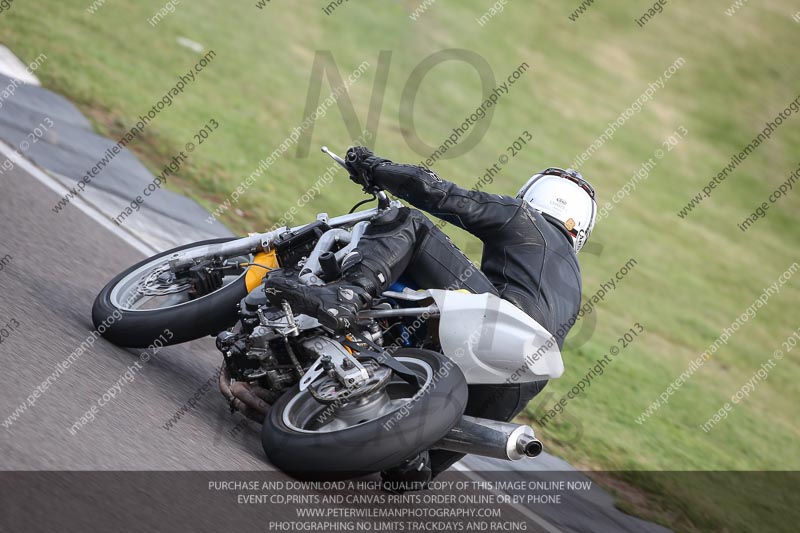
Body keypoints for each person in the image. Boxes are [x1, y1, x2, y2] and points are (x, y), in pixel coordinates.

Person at [265, 146, 597, 487]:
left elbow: (437, 193)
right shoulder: (573, 281)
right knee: (406, 476)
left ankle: (347, 295)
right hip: (523, 381)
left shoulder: (522, 216)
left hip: (497, 325)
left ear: (530, 194)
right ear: (582, 229)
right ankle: (413, 462)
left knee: (410, 222)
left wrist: (374, 167)